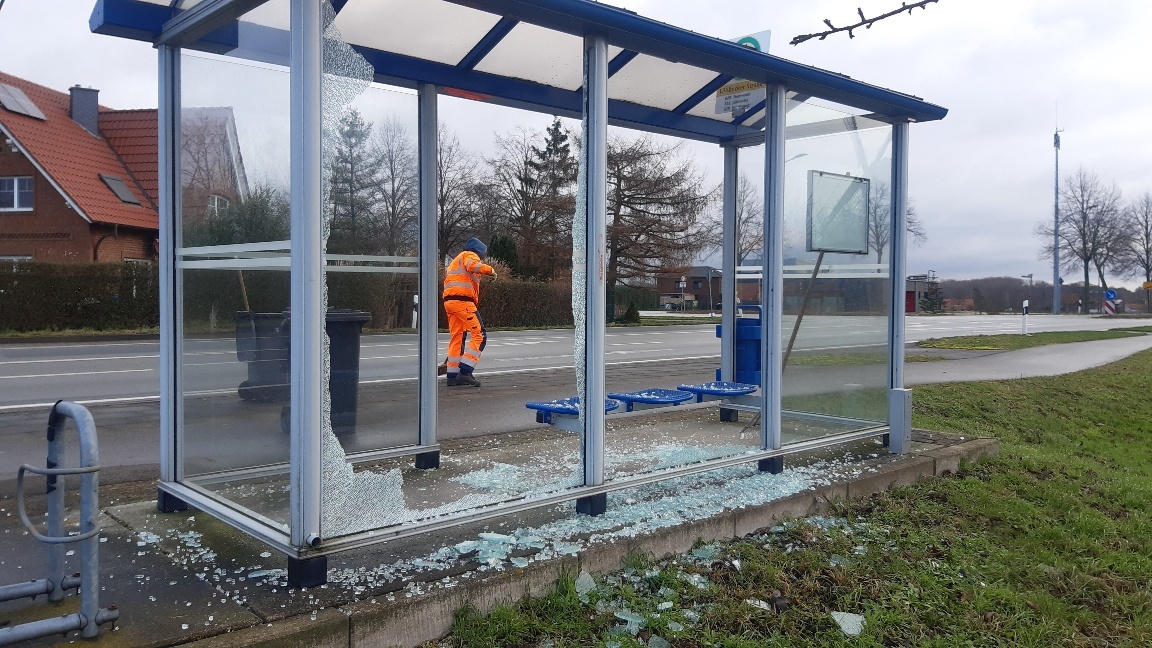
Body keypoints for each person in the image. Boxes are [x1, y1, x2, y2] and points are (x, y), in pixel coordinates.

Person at [442, 237, 496, 387]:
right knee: (480, 335)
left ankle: (452, 376)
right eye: (483, 254)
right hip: (463, 301)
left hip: (450, 302)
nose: (482, 257)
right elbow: (474, 266)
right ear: (478, 251)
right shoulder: (469, 255)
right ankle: (465, 372)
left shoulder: (455, 261)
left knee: (457, 337)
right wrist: (490, 270)